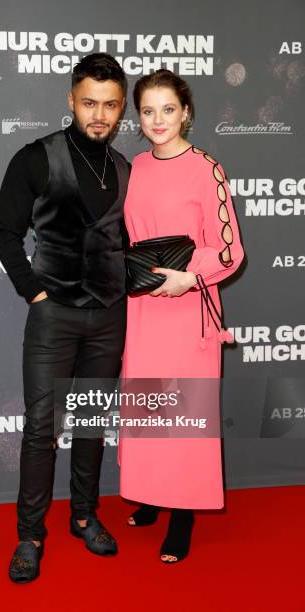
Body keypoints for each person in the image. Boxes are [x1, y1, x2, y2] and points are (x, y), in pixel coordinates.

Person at [0, 53, 130, 583]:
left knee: (92, 426)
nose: (100, 114)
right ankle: (30, 535)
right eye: (89, 102)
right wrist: (35, 294)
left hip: (108, 317)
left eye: (111, 105)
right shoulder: (34, 157)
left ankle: (84, 514)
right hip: (53, 318)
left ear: (122, 110)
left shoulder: (124, 168)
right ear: (70, 100)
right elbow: (6, 233)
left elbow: (126, 243)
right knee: (41, 429)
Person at [119, 69, 244, 563]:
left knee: (184, 413)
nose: (158, 120)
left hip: (189, 306)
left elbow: (231, 250)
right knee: (149, 406)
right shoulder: (134, 167)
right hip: (143, 307)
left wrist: (190, 277)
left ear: (186, 111)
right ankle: (151, 495)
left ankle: (183, 513)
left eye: (167, 109)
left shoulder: (205, 168)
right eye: (148, 111)